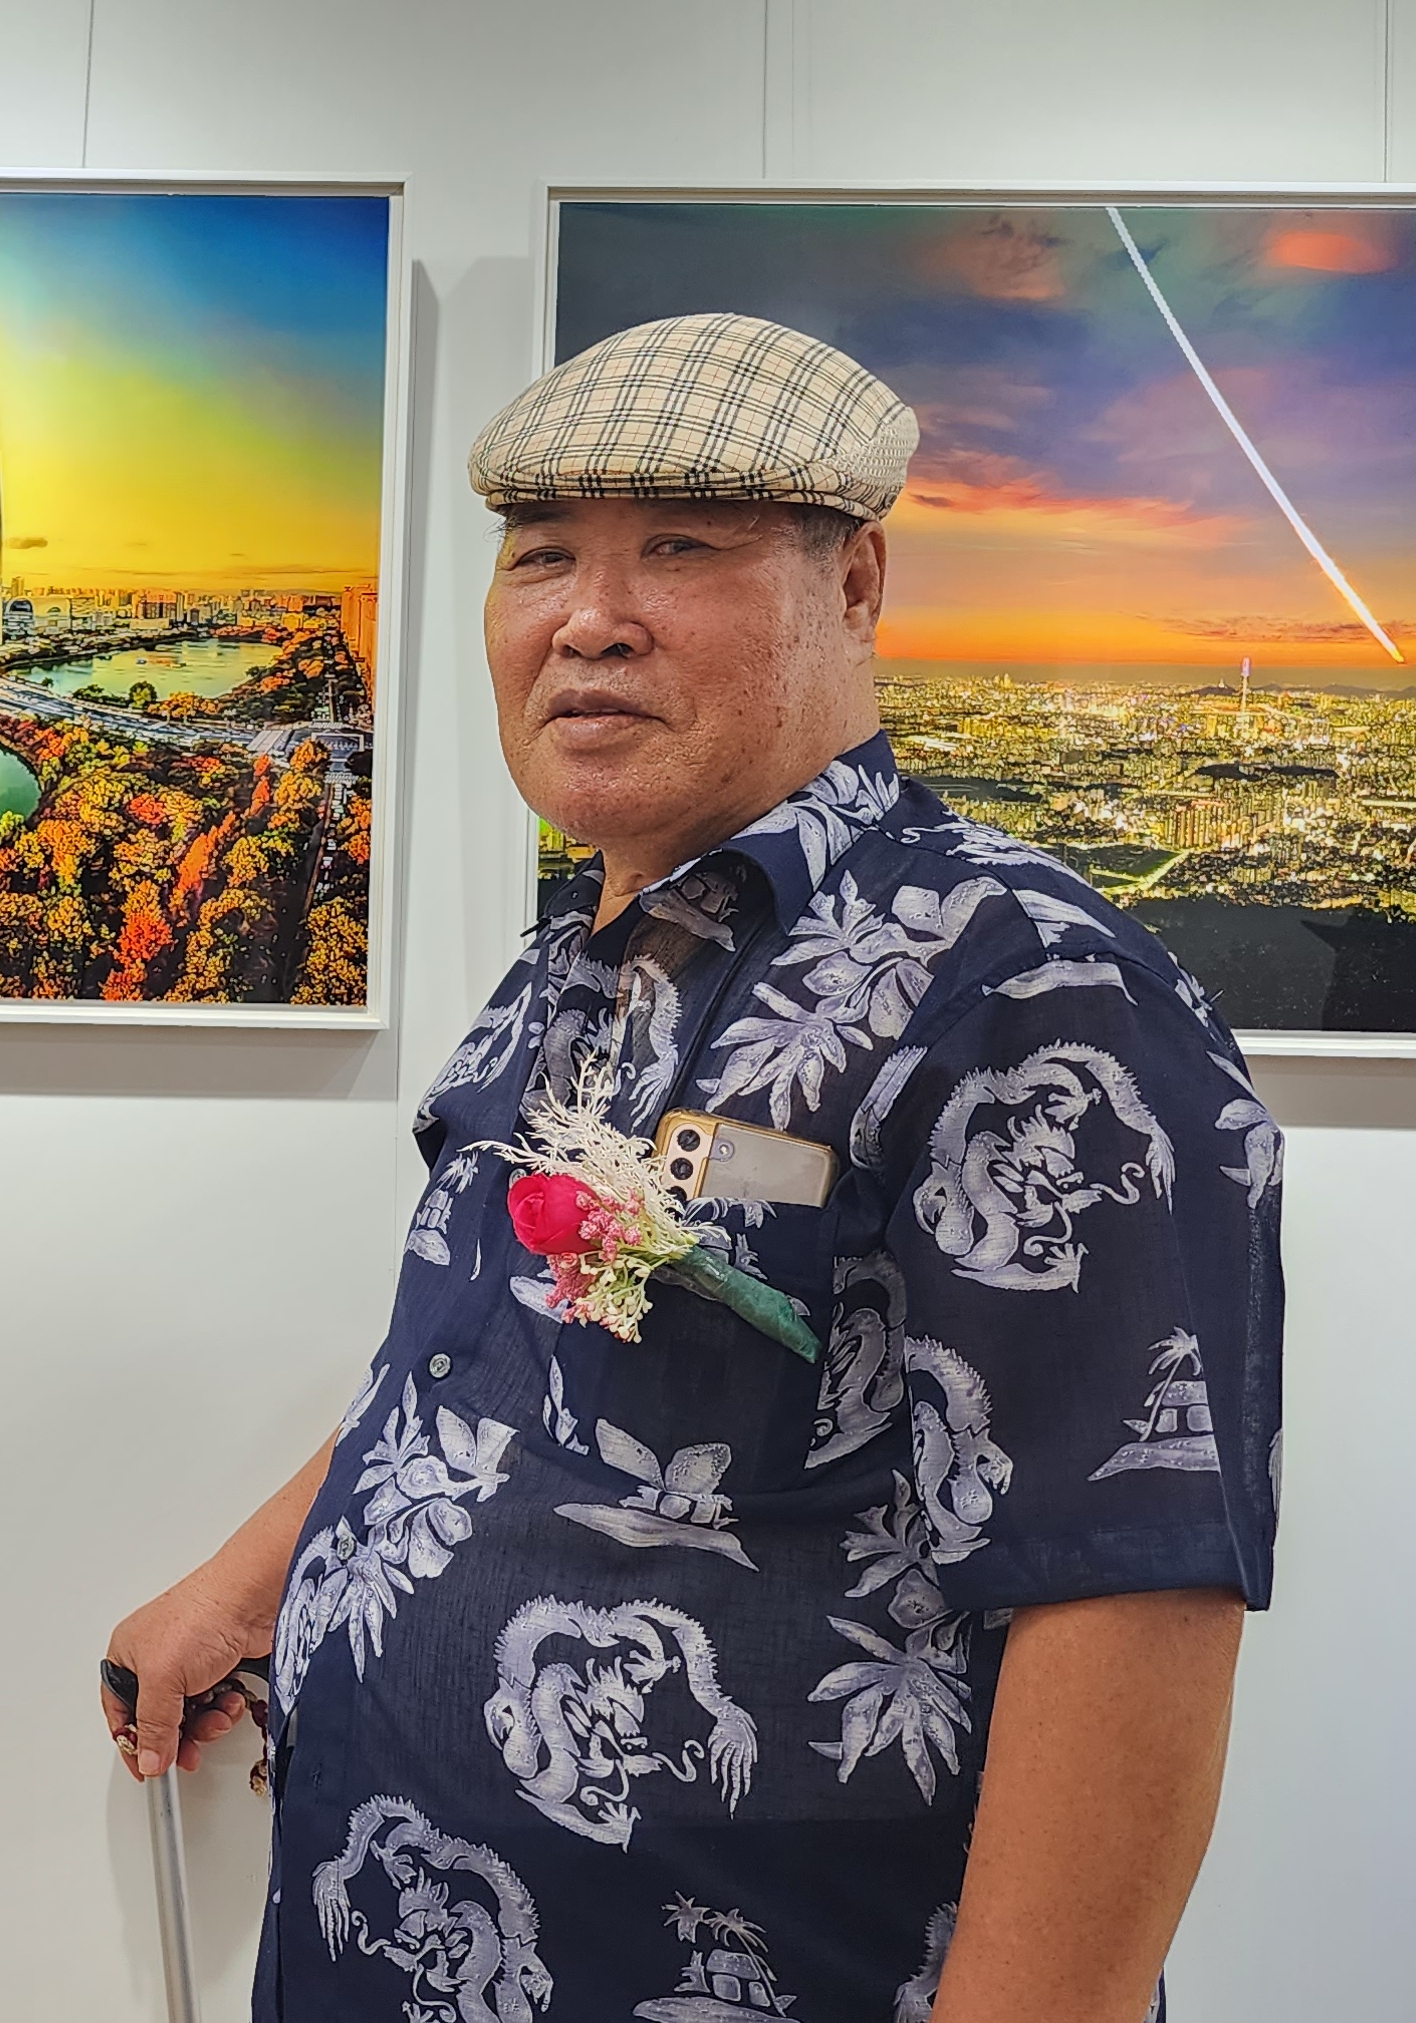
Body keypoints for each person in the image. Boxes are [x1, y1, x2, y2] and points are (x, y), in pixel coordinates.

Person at [104, 313, 1282, 2022]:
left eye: (681, 549)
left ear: (855, 587)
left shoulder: (1024, 991)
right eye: (540, 557)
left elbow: (1133, 1592)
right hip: (395, 1937)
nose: (588, 617)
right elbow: (487, 1368)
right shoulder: (581, 952)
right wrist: (245, 1583)